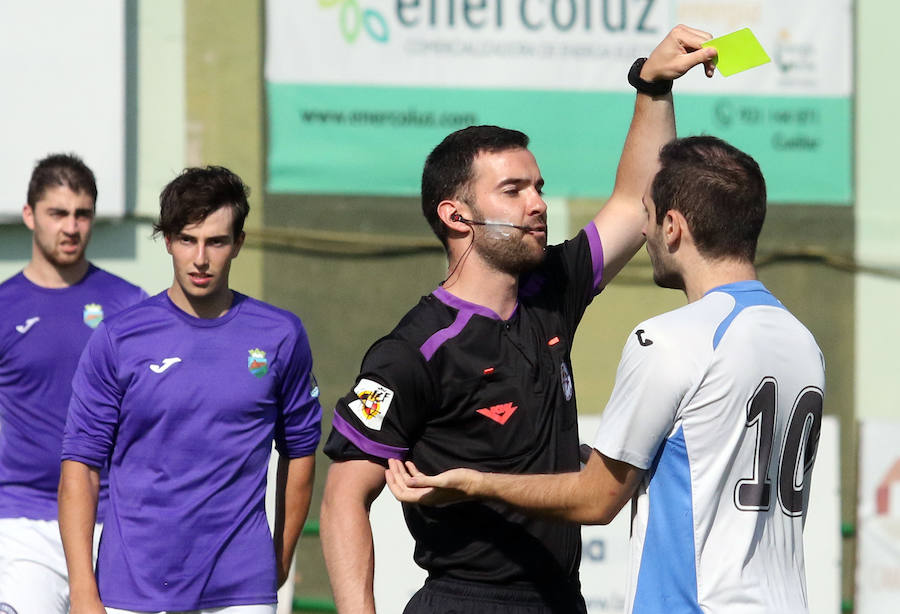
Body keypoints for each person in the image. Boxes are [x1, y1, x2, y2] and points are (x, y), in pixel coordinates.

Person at [320, 26, 719, 614]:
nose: (537, 203)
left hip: (562, 600)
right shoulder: (411, 350)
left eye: (538, 187)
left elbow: (639, 202)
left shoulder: (551, 289)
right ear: (456, 216)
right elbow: (343, 498)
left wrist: (652, 86)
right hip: (466, 600)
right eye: (513, 190)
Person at [387, 136, 826, 614]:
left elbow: (597, 500)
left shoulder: (670, 338)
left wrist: (474, 482)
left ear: (673, 227)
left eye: (650, 215)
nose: (644, 229)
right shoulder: (802, 341)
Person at [58, 166, 322, 614]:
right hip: (132, 586)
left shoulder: (281, 335)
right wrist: (83, 586)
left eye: (216, 242)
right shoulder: (119, 338)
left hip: (240, 586)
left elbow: (300, 451)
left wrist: (279, 557)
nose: (200, 258)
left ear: (238, 243)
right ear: (167, 241)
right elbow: (80, 466)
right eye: (187, 239)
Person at [0, 154, 146, 614]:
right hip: (22, 520)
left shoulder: (130, 305)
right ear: (29, 216)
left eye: (82, 214)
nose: (71, 227)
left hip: (111, 519)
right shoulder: (3, 307)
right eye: (57, 213)